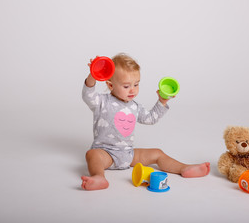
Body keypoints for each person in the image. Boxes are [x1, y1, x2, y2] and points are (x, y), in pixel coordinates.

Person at [81, 53, 210, 190]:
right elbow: (87, 95)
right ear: (110, 85)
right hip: (106, 153)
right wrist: (92, 76)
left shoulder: (134, 106)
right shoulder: (101, 101)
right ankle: (99, 177)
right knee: (92, 155)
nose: (133, 90)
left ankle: (183, 168)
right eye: (126, 86)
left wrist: (161, 102)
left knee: (158, 153)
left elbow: (151, 119)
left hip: (128, 154)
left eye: (136, 84)